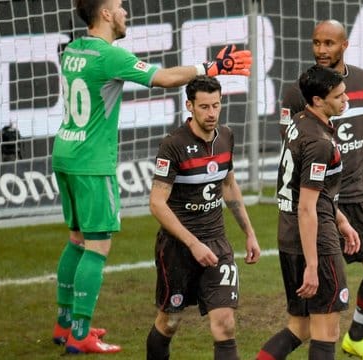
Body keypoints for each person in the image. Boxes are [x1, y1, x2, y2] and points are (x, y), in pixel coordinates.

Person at [51, 0, 252, 354]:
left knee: (76, 240)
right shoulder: (109, 56)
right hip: (92, 163)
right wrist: (211, 66)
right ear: (106, 14)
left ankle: (64, 323)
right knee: (97, 246)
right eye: (119, 6)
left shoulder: (74, 50)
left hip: (65, 152)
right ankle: (80, 334)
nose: (125, 10)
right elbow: (164, 79)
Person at [279, 19, 363, 359]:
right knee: (314, 306)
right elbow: (291, 148)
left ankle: (356, 337)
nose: (321, 50)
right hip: (325, 201)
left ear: (344, 45)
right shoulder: (300, 90)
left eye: (329, 43)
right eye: (316, 42)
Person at [145, 75, 260, 360]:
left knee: (225, 323)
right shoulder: (173, 146)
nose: (211, 113)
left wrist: (249, 232)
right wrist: (193, 243)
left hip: (217, 243)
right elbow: (157, 204)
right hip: (178, 248)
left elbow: (229, 184)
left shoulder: (226, 137)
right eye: (204, 107)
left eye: (216, 106)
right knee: (169, 322)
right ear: (190, 106)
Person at [257, 65, 361, 360]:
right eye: (338, 96)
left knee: (300, 326)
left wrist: (342, 220)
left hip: (288, 234)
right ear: (317, 100)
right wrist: (313, 266)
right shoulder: (318, 142)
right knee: (326, 330)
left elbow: (314, 192)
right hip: (314, 238)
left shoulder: (300, 122)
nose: (345, 100)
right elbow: (307, 207)